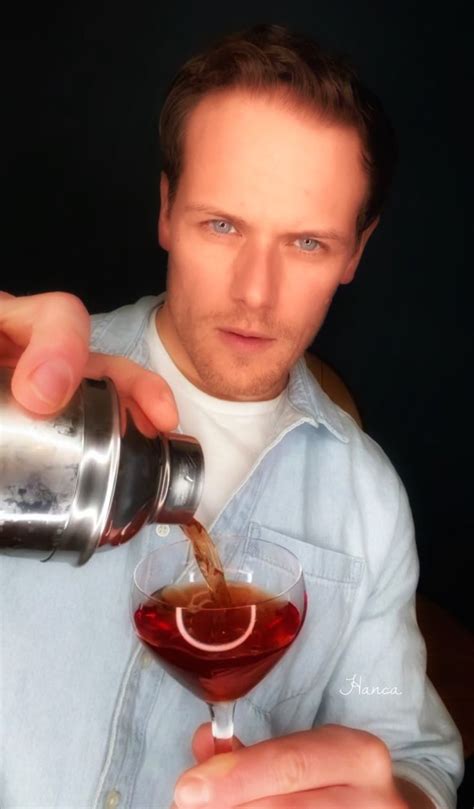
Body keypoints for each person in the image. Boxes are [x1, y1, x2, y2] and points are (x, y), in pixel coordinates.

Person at [0, 23, 464, 809]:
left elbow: (414, 753)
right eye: (222, 225)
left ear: (356, 252)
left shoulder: (371, 502)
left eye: (308, 243)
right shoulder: (18, 396)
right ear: (166, 209)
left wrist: (400, 800)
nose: (256, 291)